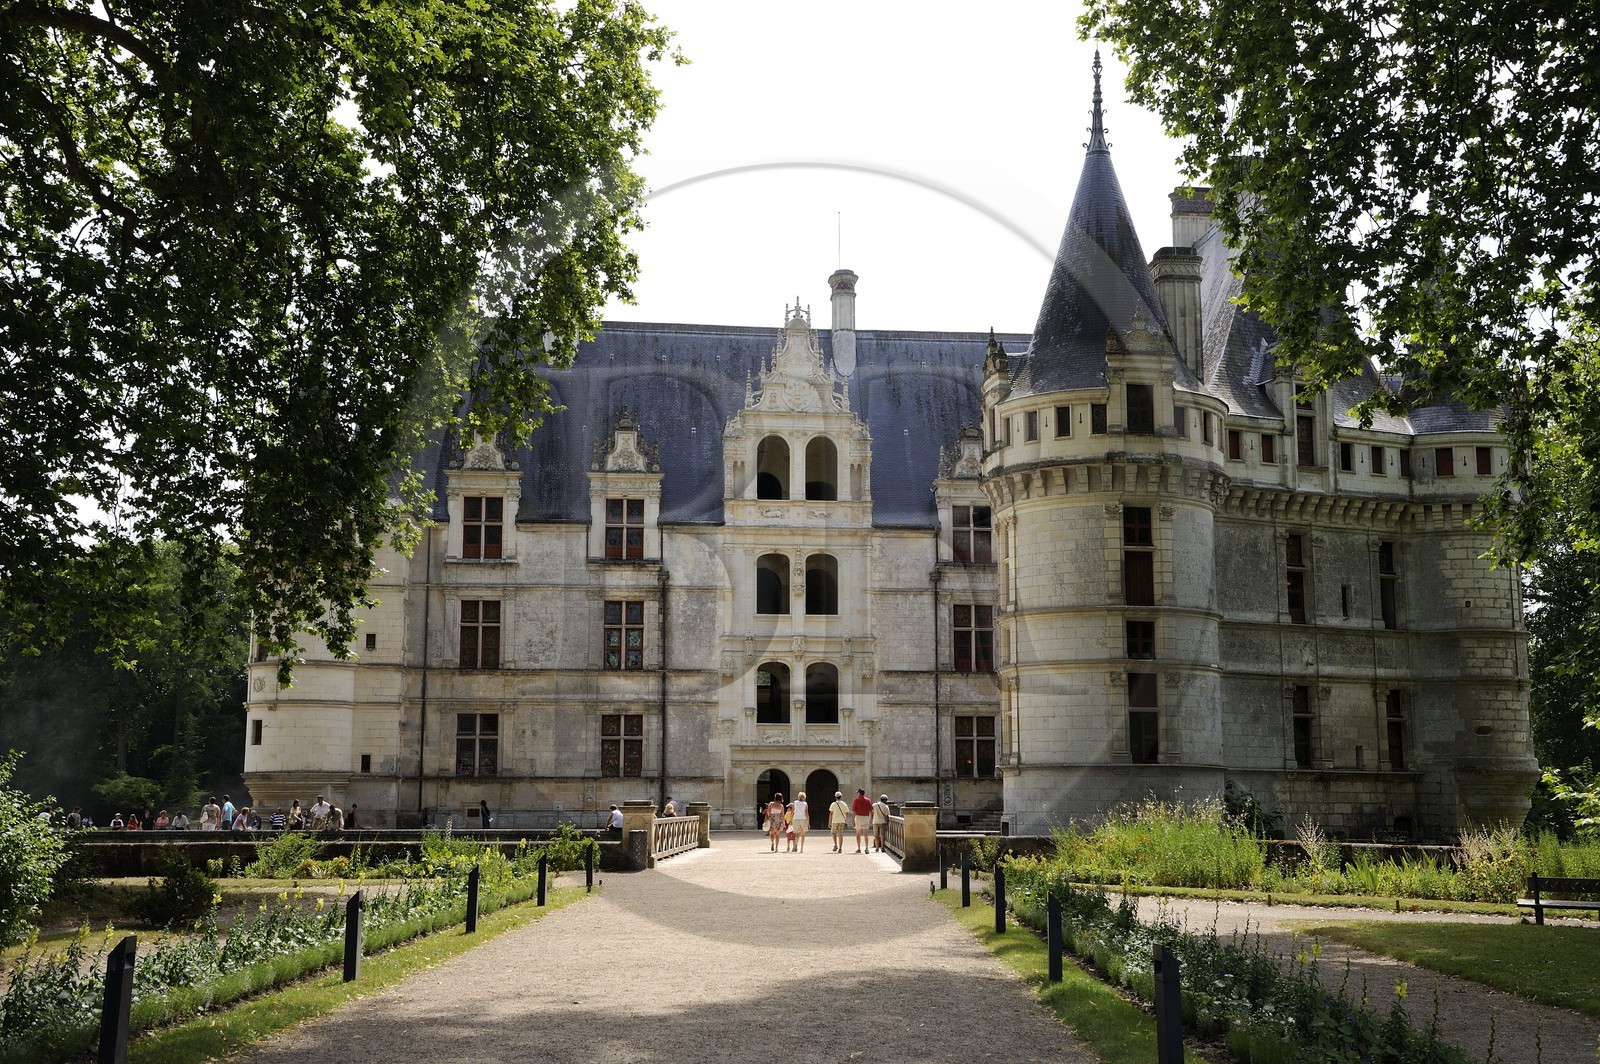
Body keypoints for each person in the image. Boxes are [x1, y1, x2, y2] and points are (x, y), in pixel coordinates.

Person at [851, 789, 874, 853]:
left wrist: (853, 819)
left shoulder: (856, 800)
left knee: (858, 833)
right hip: (866, 817)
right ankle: (866, 848)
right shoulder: (868, 800)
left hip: (858, 817)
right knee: (866, 834)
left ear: (859, 793)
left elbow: (854, 811)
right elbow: (871, 810)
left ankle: (859, 848)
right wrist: (869, 818)